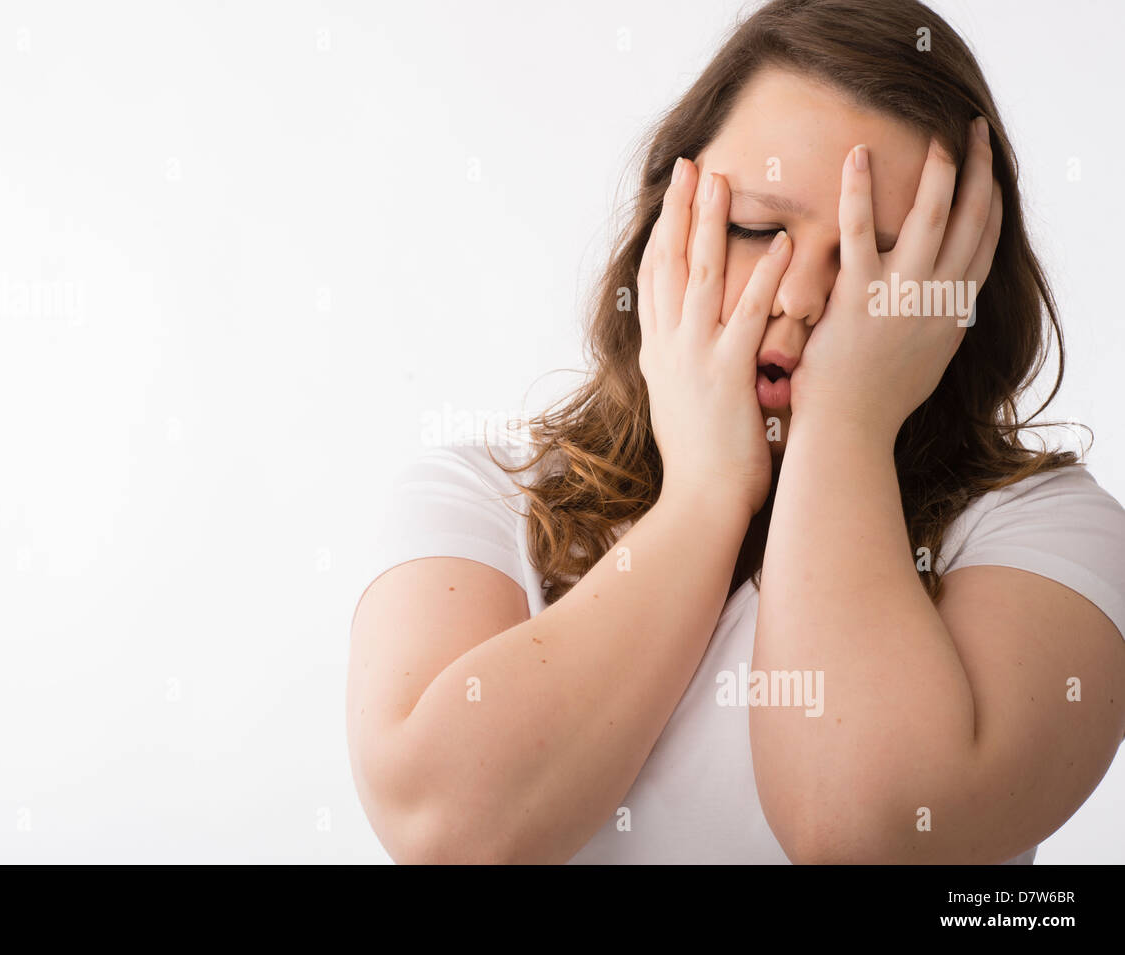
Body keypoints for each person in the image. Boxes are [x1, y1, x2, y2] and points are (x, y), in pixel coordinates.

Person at [345, 0, 1125, 864]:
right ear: (665, 223)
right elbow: (446, 831)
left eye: (884, 257)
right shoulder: (485, 498)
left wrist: (846, 425)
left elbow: (864, 832)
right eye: (759, 228)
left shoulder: (1045, 531)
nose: (801, 298)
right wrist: (707, 495)